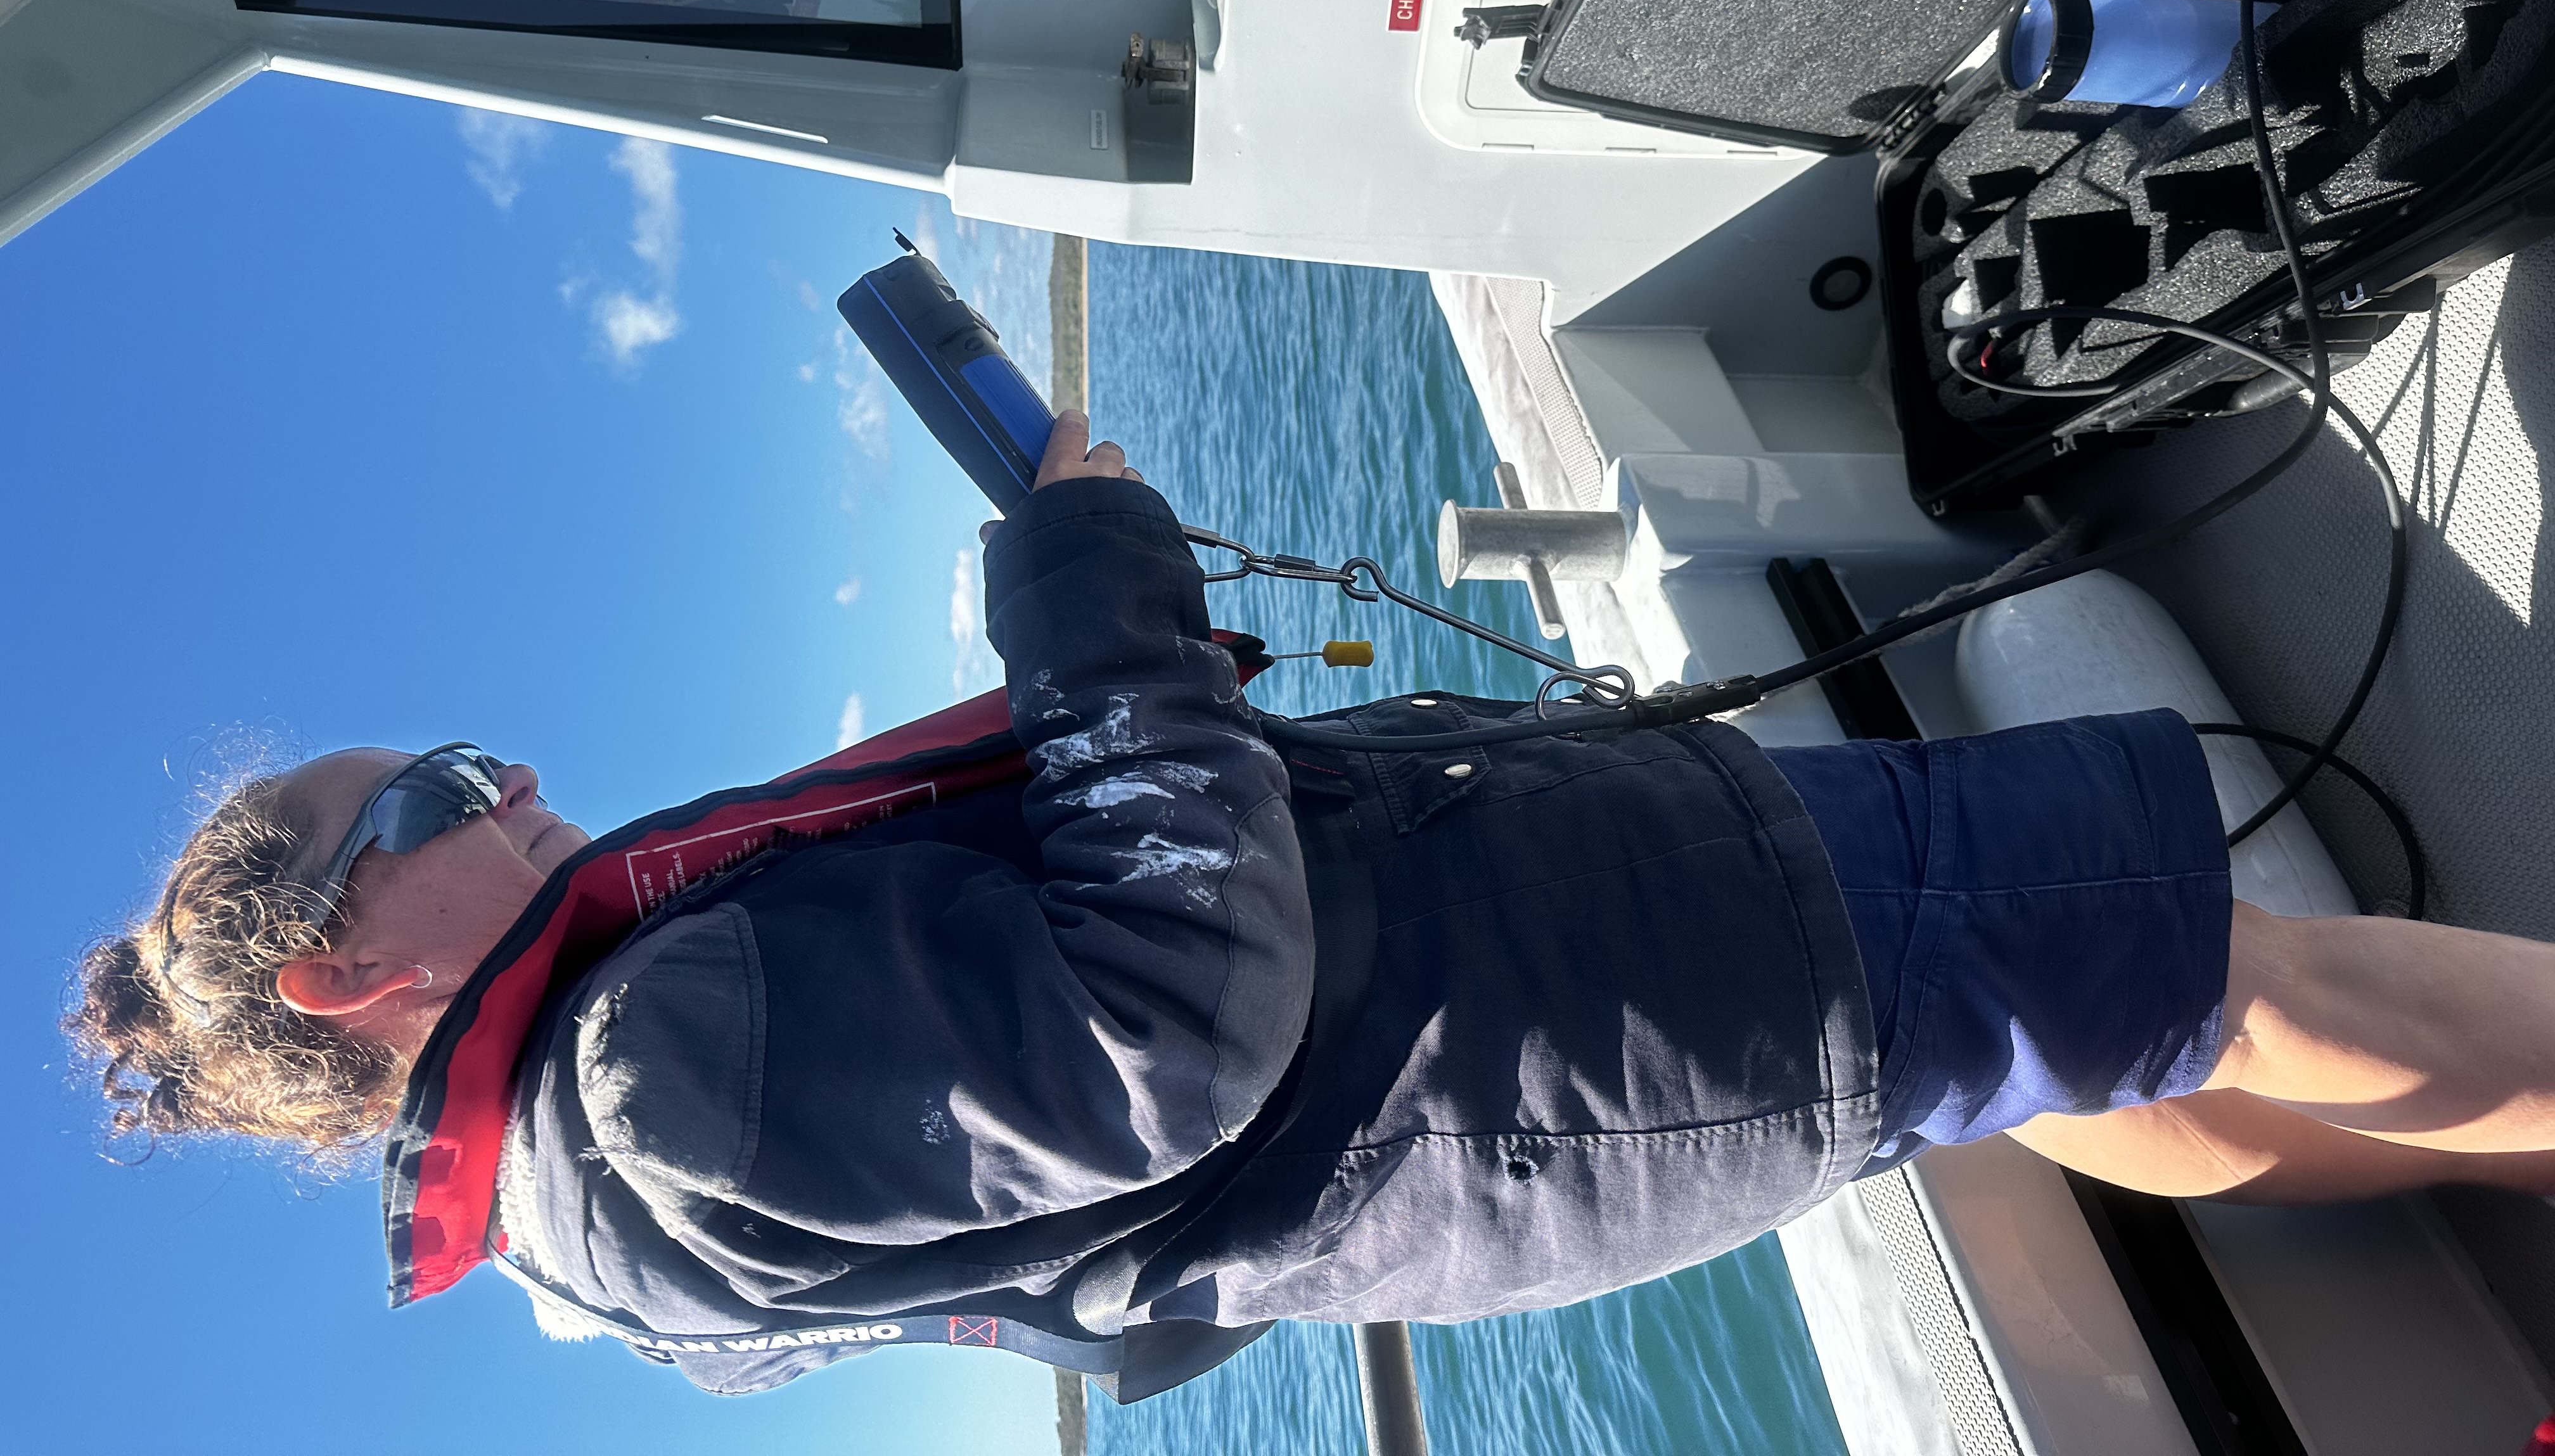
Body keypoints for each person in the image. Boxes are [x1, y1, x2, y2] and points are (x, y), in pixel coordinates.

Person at [68, 415, 2555, 1399]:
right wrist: (1081, 573)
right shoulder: (642, 1091)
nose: (513, 773)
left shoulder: (612, 1182)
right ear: (357, 967)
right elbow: (1167, 1023)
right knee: (2229, 968)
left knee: (2096, 1034)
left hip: (1556, 1042)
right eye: (444, 787)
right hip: (1595, 1015)